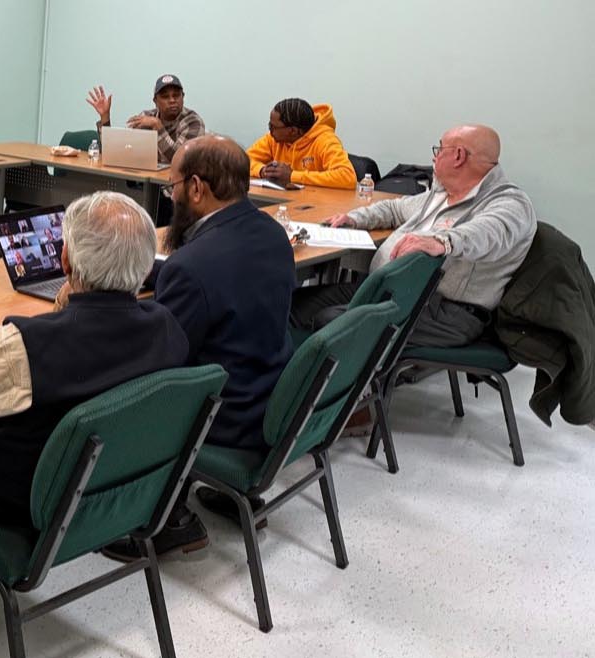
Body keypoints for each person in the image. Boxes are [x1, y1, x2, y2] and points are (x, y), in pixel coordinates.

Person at [0, 192, 189, 525]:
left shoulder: (24, 345)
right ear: (146, 270)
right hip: (104, 497)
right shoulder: (168, 329)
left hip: (18, 502)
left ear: (64, 260)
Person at [105, 135, 296, 560]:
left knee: (110, 381)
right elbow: (225, 284)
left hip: (225, 417)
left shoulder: (191, 268)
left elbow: (163, 361)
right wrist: (158, 273)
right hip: (270, 398)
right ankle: (229, 495)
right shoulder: (271, 232)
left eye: (171, 187)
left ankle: (169, 521)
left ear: (196, 187)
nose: (170, 197)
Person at [293, 125, 536, 348]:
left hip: (445, 311)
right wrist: (355, 218)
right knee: (294, 305)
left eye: (439, 149)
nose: (434, 157)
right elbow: (394, 208)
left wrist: (441, 241)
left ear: (458, 156)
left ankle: (329, 379)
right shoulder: (442, 194)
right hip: (391, 291)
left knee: (332, 322)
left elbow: (488, 233)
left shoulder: (510, 203)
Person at [86, 74, 206, 165]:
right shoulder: (146, 117)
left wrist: (158, 126)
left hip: (176, 186)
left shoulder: (193, 122)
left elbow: (180, 161)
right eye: (165, 97)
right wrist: (105, 117)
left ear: (183, 97)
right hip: (146, 181)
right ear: (155, 101)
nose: (172, 100)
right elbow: (117, 153)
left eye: (176, 95)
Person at [247, 98, 357, 190]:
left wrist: (292, 176)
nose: (270, 130)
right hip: (284, 200)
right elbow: (243, 161)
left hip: (318, 203)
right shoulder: (273, 139)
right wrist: (262, 171)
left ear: (293, 131)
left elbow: (347, 177)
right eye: (269, 125)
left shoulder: (325, 140)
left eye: (273, 127)